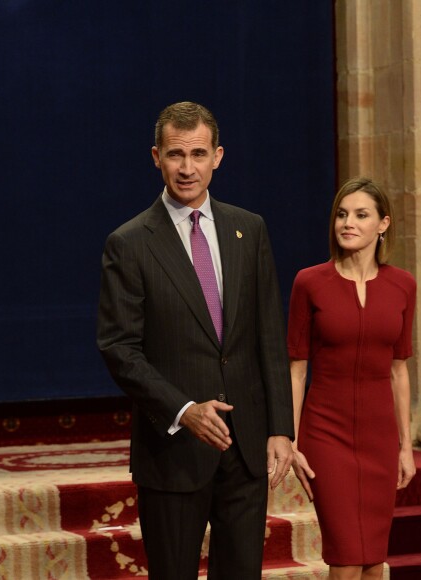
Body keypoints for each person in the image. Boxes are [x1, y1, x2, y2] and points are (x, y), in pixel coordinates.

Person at [97, 101, 294, 579]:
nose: (187, 168)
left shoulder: (251, 228)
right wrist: (185, 410)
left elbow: (269, 336)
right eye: (175, 155)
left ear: (218, 156)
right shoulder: (130, 243)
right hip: (173, 453)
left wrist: (280, 429)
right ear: (156, 157)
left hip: (245, 450)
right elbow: (120, 349)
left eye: (199, 154)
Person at [287, 177, 417, 580]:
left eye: (361, 215)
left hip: (379, 437)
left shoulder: (403, 285)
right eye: (342, 214)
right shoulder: (309, 282)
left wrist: (406, 445)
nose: (348, 222)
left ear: (383, 225)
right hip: (326, 432)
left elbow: (399, 369)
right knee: (346, 556)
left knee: (374, 558)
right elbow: (296, 368)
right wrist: (290, 441)